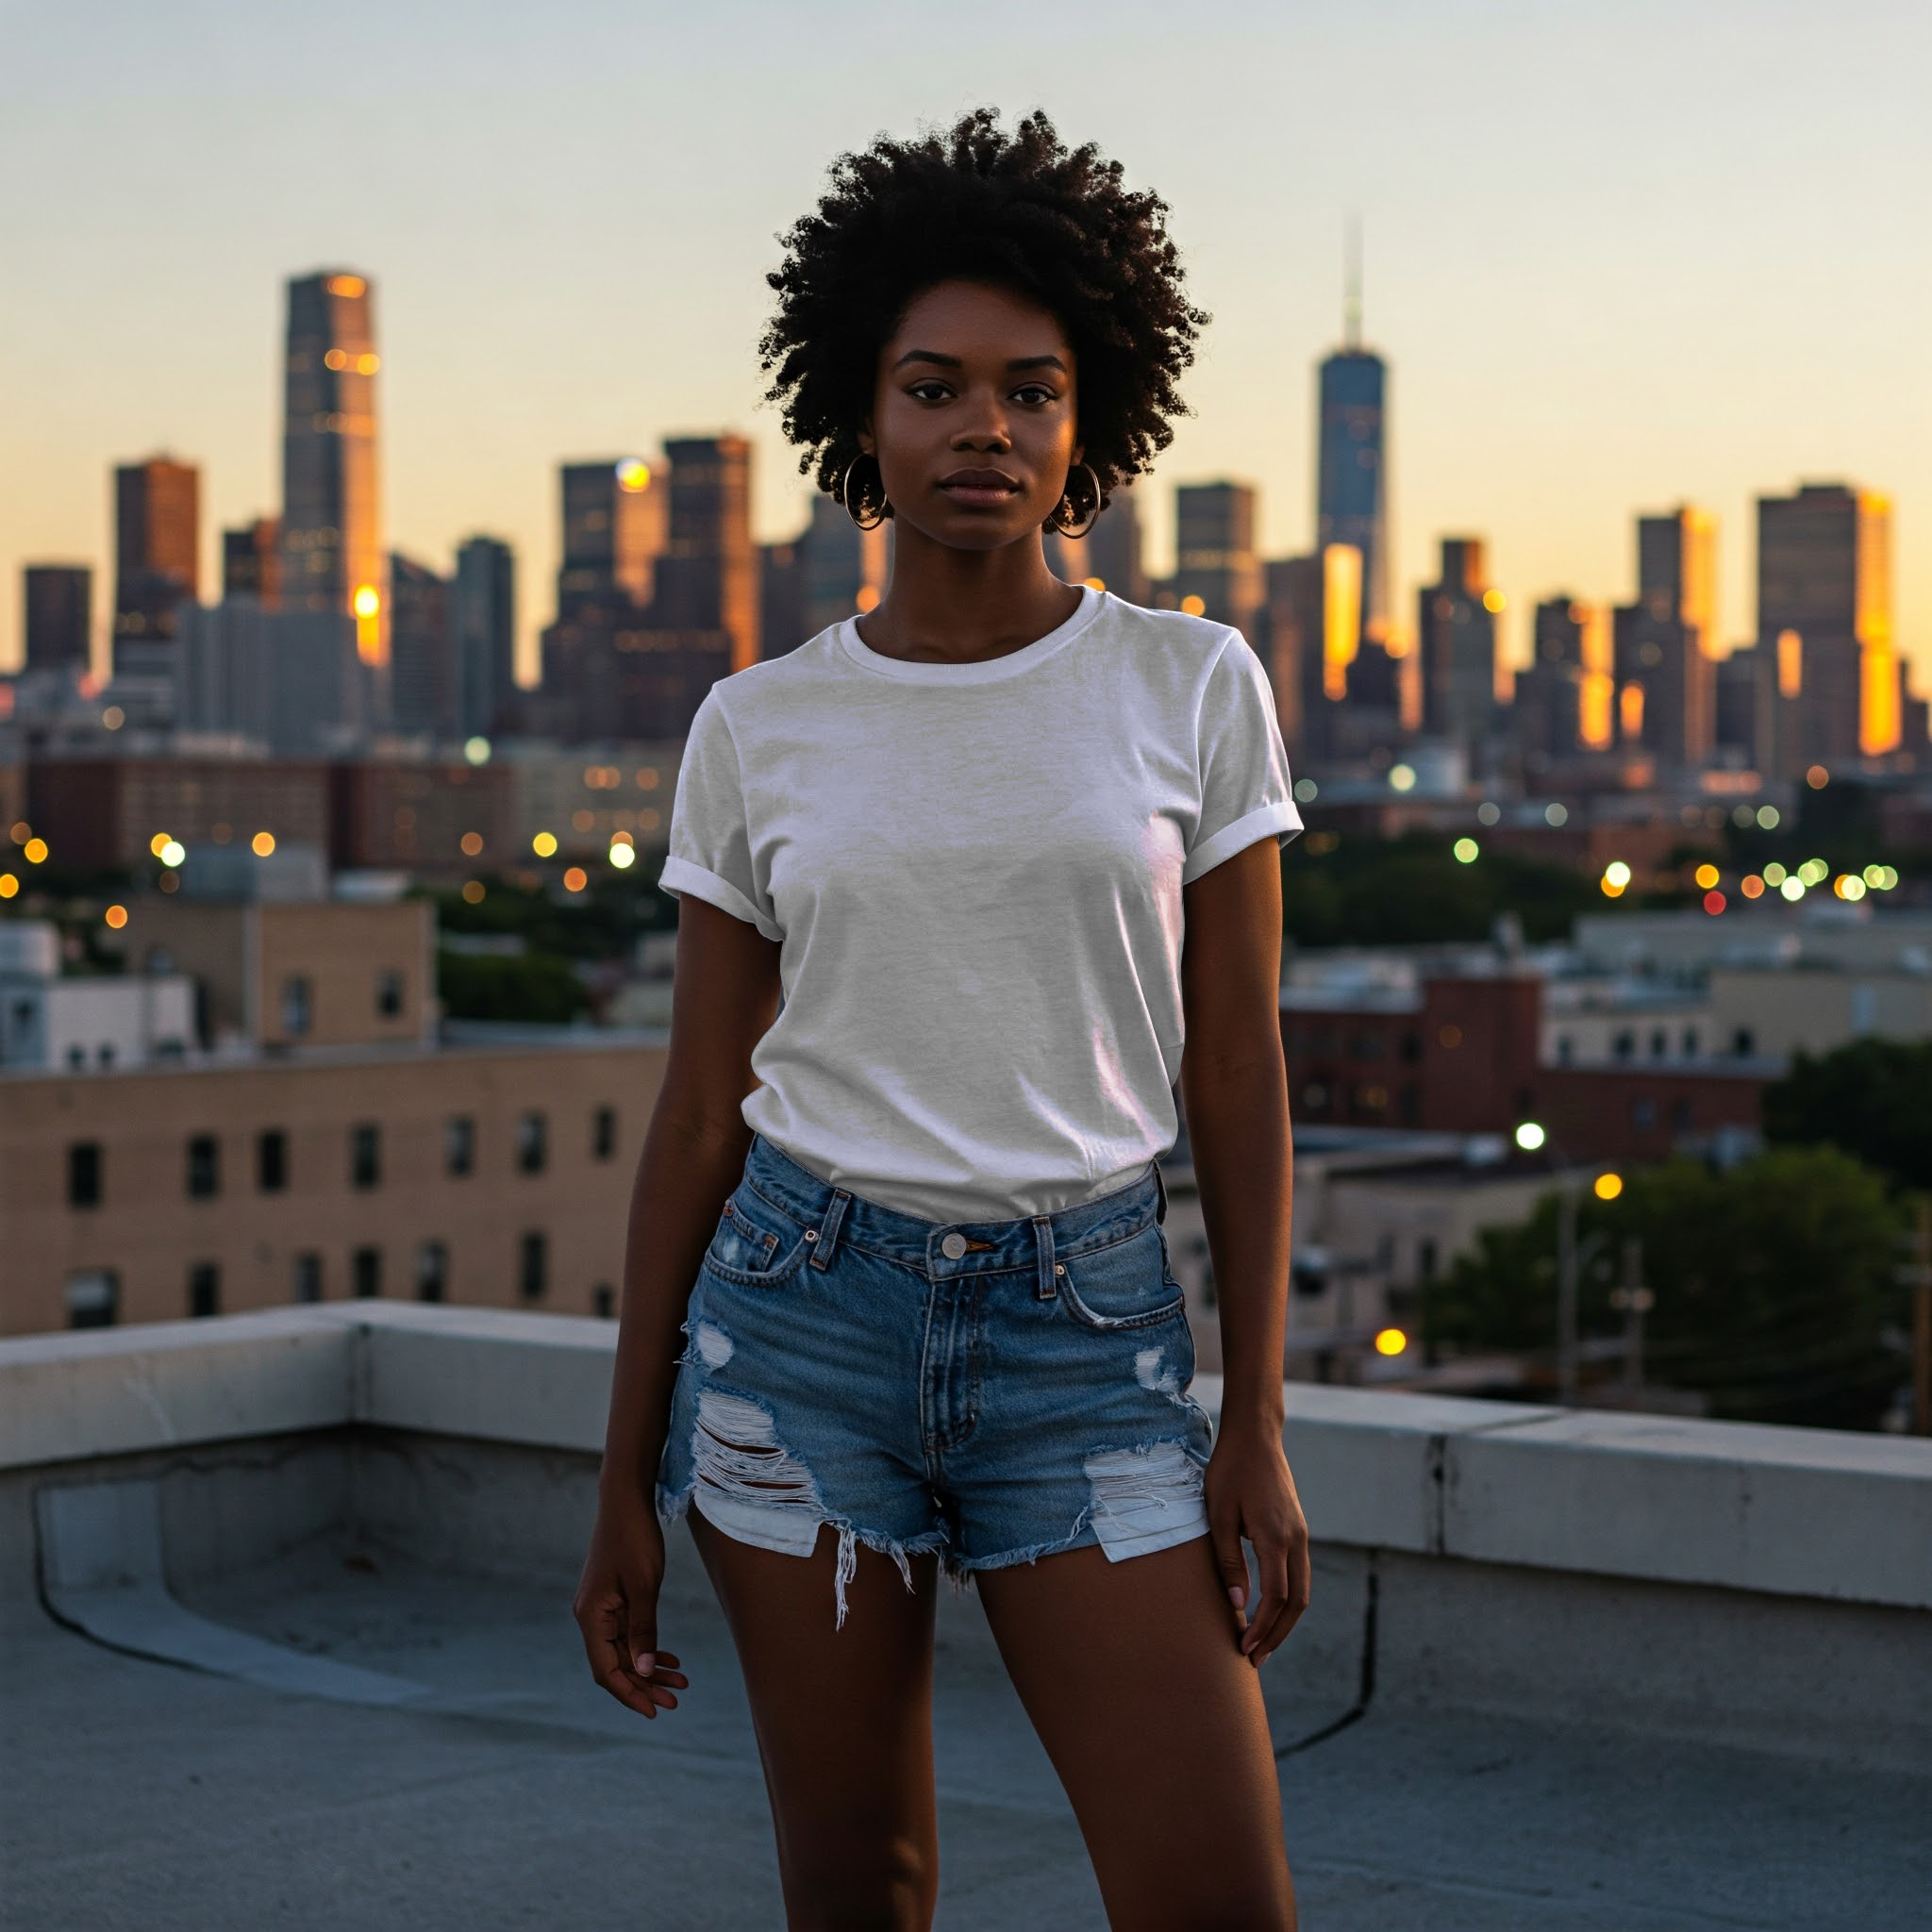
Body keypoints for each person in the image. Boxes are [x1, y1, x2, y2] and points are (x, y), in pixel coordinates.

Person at [575, 108, 1310, 1931]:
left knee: (1215, 1896)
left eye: (1029, 391)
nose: (983, 427)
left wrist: (1259, 1414)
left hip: (1092, 1335)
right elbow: (694, 1119)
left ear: (1090, 424)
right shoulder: (759, 727)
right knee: (860, 1889)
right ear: (860, 412)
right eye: (932, 387)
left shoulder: (1189, 684)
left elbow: (1241, 1068)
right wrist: (617, 1480)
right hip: (798, 1332)